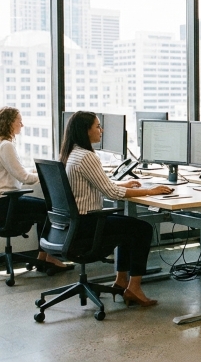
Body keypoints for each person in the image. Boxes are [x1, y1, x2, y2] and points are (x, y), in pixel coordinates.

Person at [61, 111, 173, 307]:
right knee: (142, 228)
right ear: (85, 131)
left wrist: (124, 185)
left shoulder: (72, 153)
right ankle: (134, 288)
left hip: (75, 224)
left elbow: (102, 186)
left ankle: (122, 281)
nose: (101, 130)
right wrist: (150, 191)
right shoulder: (87, 156)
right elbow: (111, 194)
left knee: (126, 226)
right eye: (97, 126)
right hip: (88, 225)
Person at [0, 107, 69, 270]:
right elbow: (24, 178)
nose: (22, 125)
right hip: (6, 203)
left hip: (4, 201)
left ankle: (43, 257)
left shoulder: (2, 143)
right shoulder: (6, 145)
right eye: (19, 121)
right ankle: (47, 257)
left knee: (46, 209)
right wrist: (52, 176)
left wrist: (39, 171)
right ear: (10, 123)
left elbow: (18, 171)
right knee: (50, 211)